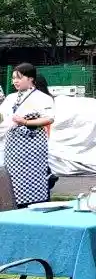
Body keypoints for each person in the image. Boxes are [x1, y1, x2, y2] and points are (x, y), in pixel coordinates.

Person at [0, 63, 54, 207]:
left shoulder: (42, 98)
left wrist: (25, 122)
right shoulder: (10, 98)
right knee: (13, 178)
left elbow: (49, 118)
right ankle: (16, 205)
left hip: (32, 144)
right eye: (13, 78)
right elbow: (2, 116)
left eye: (19, 78)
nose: (15, 81)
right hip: (13, 145)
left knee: (33, 178)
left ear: (30, 78)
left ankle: (36, 203)